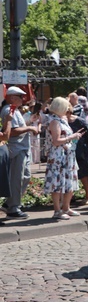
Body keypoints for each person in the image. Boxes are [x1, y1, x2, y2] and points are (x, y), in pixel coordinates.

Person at [44, 99, 86, 220]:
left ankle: (66, 208)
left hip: (67, 155)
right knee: (57, 183)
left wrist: (73, 137)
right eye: (66, 107)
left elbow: (64, 138)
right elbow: (56, 141)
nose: (68, 109)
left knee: (69, 181)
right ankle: (57, 210)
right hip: (58, 156)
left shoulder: (61, 120)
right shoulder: (54, 122)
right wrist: (72, 137)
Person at [0, 87, 38, 219]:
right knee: (17, 179)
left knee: (25, 177)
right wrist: (29, 127)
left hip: (21, 149)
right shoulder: (8, 110)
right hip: (15, 150)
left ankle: (10, 203)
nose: (23, 99)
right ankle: (13, 208)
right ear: (11, 97)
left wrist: (29, 123)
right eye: (20, 96)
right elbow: (12, 132)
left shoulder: (15, 111)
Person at [67, 106, 88, 205]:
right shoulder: (60, 121)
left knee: (84, 175)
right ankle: (69, 197)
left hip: (81, 151)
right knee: (69, 176)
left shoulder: (79, 121)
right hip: (68, 152)